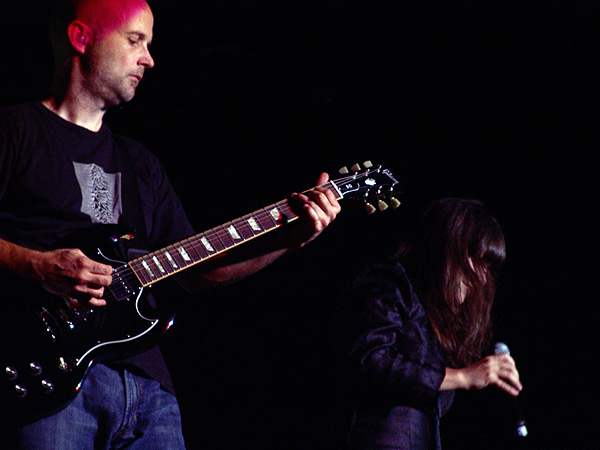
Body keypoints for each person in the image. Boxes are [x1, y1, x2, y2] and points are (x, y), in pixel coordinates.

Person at [0, 0, 341, 448]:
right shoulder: (15, 129)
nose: (149, 59)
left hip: (148, 393)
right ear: (81, 38)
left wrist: (290, 239)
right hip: (43, 378)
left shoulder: (139, 162)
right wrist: (36, 265)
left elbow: (202, 272)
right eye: (135, 40)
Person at [340, 198, 522, 450]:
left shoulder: (433, 324)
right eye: (477, 260)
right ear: (448, 247)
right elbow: (372, 360)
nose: (481, 280)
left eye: (488, 269)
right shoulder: (390, 281)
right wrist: (463, 376)